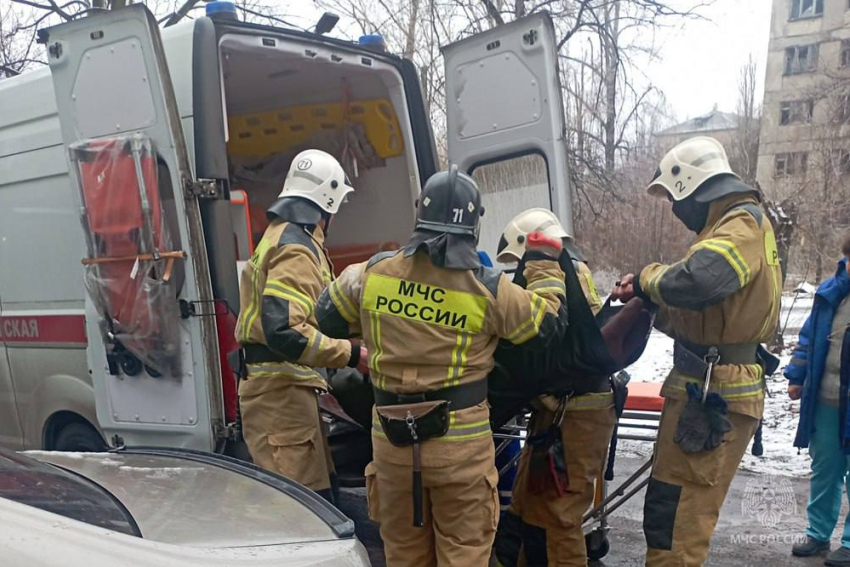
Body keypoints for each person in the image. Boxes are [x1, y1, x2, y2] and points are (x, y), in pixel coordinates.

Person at [316, 166, 568, 567]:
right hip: (461, 455)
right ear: (474, 225)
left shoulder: (372, 273)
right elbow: (550, 329)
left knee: (404, 557)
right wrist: (542, 264)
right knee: (464, 557)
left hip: (393, 450)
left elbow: (325, 315)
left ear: (419, 215)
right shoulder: (488, 287)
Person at [611, 136, 782, 566]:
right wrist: (649, 304)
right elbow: (705, 316)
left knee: (677, 527)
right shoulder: (732, 226)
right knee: (670, 516)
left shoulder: (741, 224)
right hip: (707, 387)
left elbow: (699, 280)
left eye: (673, 197)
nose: (674, 208)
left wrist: (649, 277)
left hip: (711, 394)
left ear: (693, 187)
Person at [235, 149, 368, 504]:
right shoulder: (296, 248)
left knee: (319, 498)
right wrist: (353, 354)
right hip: (281, 400)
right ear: (327, 202)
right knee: (302, 512)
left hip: (285, 397)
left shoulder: (283, 236)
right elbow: (286, 331)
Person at [494, 208, 616, 566]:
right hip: (563, 411)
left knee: (557, 517)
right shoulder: (575, 271)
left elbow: (539, 337)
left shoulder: (557, 273)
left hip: (575, 416)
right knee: (529, 507)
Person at [787, 234, 850, 566]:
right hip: (826, 399)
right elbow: (809, 337)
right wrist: (797, 376)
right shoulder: (831, 291)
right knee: (825, 468)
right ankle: (818, 534)